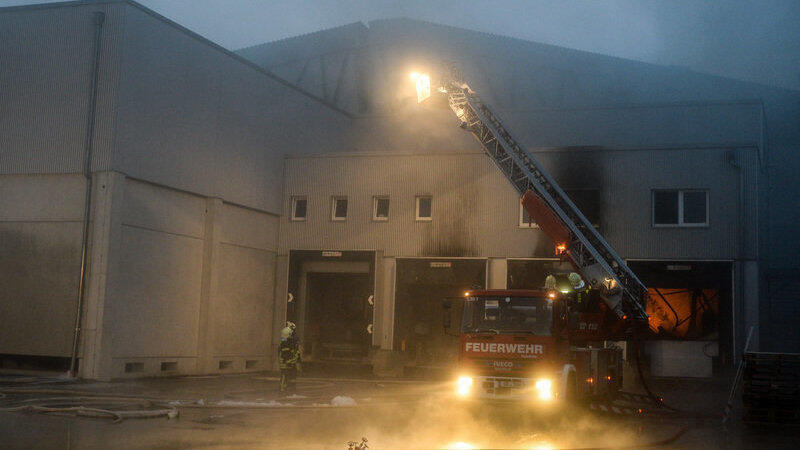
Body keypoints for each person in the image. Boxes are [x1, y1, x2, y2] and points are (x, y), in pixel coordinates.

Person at [279, 322, 301, 393]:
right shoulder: (286, 343)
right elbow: (285, 352)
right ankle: (283, 388)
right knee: (285, 374)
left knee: (292, 375)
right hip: (286, 361)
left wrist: (297, 360)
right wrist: (288, 360)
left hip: (291, 361)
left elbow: (296, 351)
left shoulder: (289, 342)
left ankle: (291, 387)